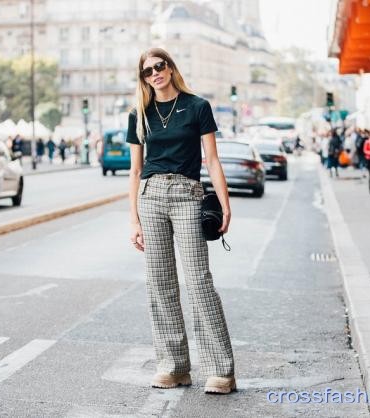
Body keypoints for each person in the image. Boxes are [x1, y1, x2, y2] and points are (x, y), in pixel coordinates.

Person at [127, 47, 235, 394]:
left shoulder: (197, 106)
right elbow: (135, 170)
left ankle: (221, 371)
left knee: (199, 281)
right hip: (151, 198)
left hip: (188, 195)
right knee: (159, 284)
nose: (155, 74)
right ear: (143, 78)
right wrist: (134, 219)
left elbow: (212, 160)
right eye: (148, 71)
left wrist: (225, 203)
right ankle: (174, 367)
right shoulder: (139, 114)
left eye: (160, 66)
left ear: (171, 68)